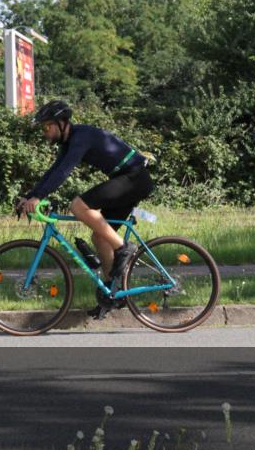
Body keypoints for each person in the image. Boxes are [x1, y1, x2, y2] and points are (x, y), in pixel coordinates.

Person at [16, 100, 155, 319]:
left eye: (47, 127)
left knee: (78, 205)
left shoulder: (81, 137)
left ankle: (123, 248)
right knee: (100, 237)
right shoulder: (69, 141)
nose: (45, 132)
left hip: (134, 178)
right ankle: (114, 293)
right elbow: (54, 170)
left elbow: (64, 173)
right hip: (128, 179)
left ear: (61, 124)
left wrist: (39, 196)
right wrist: (32, 195)